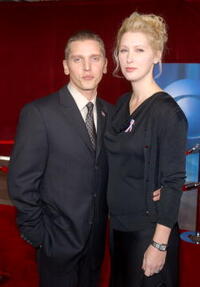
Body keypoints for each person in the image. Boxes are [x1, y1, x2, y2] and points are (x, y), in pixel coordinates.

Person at [8, 30, 111, 287]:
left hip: (97, 244)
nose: (87, 67)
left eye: (95, 58)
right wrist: (39, 235)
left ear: (106, 65)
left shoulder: (112, 112)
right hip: (56, 243)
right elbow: (21, 182)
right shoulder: (39, 113)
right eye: (78, 59)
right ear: (66, 66)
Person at [105, 12, 188, 287]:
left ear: (156, 55)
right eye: (124, 50)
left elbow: (174, 182)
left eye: (139, 50)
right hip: (118, 228)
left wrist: (159, 245)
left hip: (147, 233)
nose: (129, 58)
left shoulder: (167, 113)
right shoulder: (121, 104)